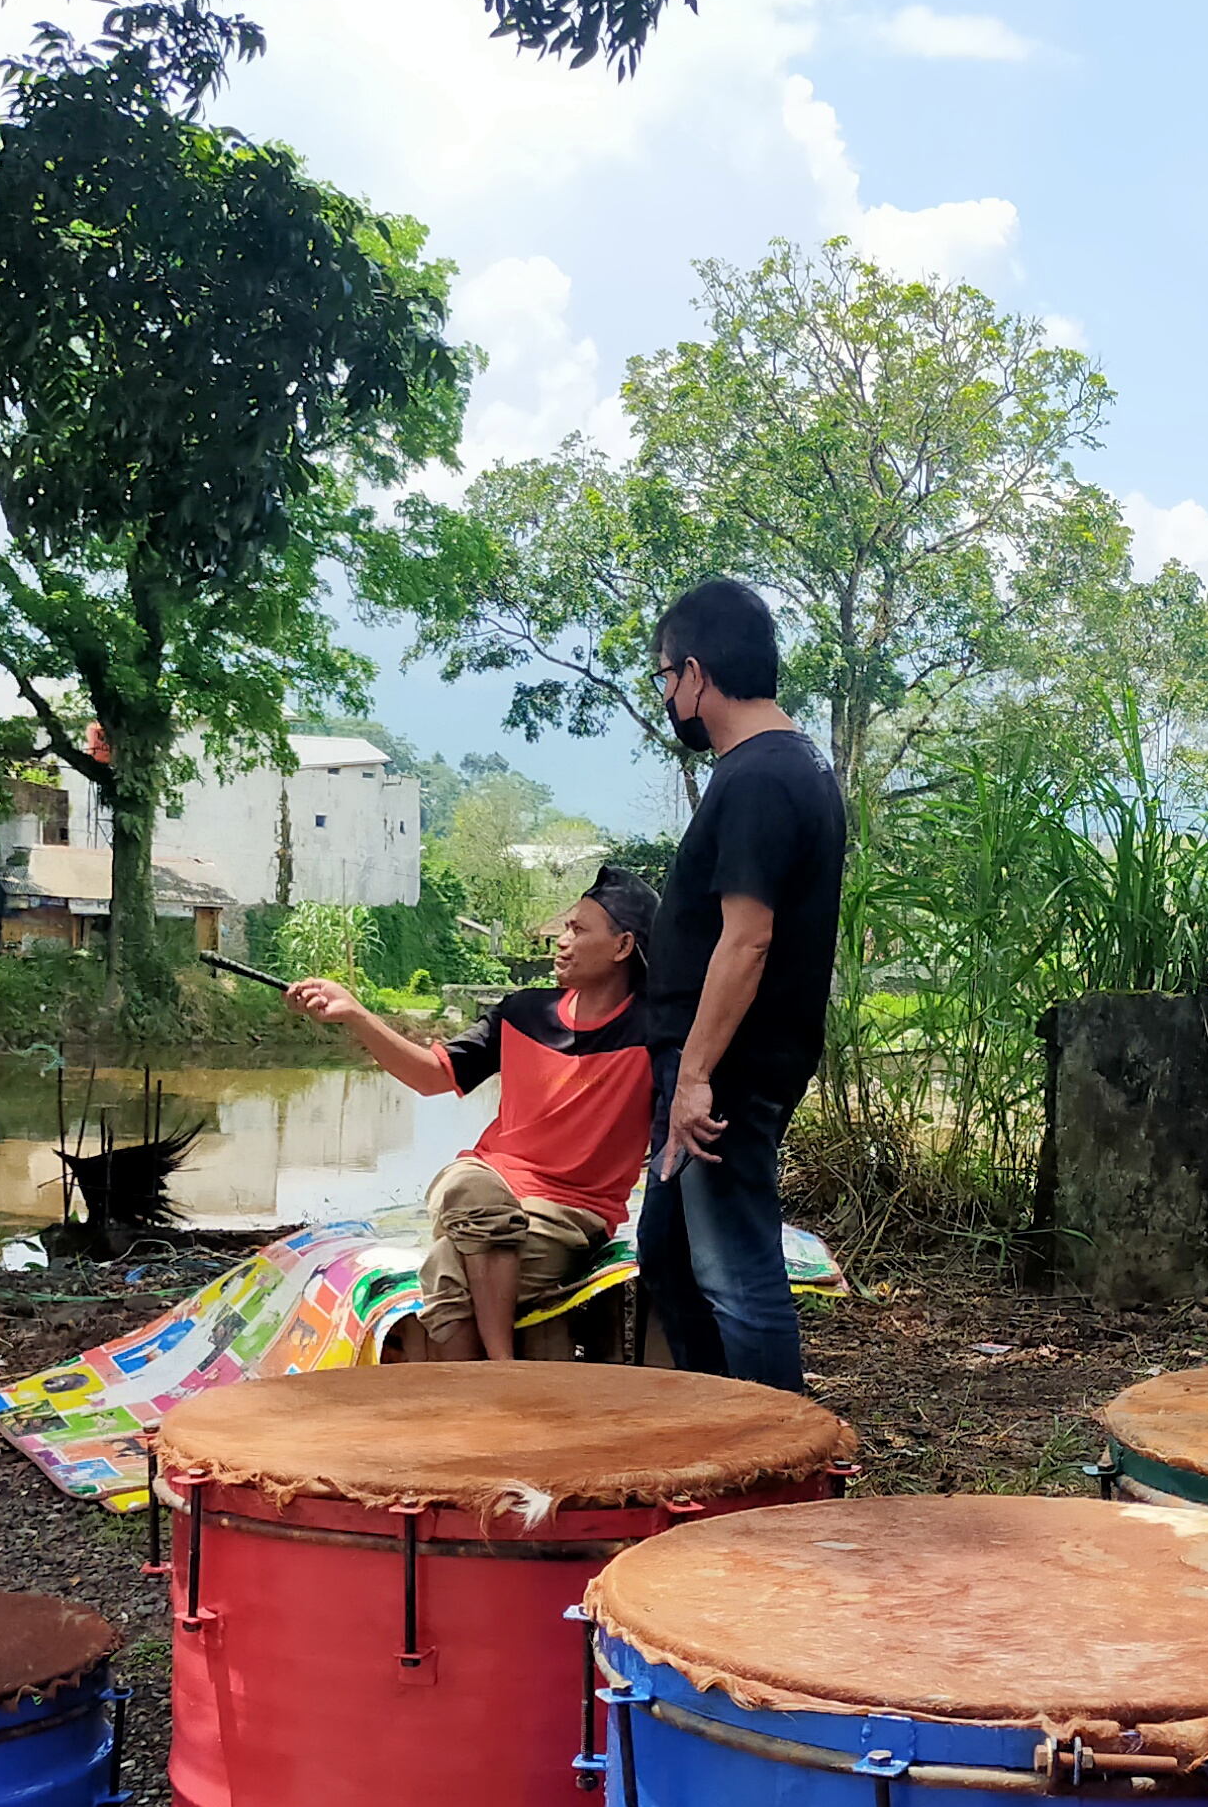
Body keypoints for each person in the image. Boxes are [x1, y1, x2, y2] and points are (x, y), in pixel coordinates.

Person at [287, 868, 658, 1361]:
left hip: (567, 1214)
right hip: (488, 1185)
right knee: (466, 1183)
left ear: (623, 946)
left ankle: (481, 1394)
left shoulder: (660, 1032)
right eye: (565, 929)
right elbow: (430, 1076)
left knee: (444, 1268)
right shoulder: (522, 1013)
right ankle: (500, 1372)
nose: (561, 942)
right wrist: (356, 1014)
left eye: (578, 930)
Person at [634, 579, 845, 1395]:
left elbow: (747, 940)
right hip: (719, 1063)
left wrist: (694, 1074)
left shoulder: (759, 777)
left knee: (735, 1275)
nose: (667, 699)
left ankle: (775, 1469)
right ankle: (723, 1427)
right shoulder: (784, 768)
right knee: (669, 1256)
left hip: (724, 1068)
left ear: (696, 672)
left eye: (664, 679)